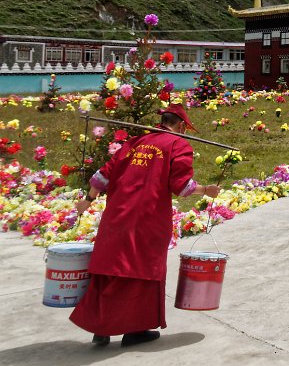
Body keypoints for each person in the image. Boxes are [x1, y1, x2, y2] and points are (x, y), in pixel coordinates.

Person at [70, 104, 220, 347]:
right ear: (181, 126)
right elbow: (181, 186)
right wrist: (206, 190)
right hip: (148, 219)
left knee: (111, 266)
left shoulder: (134, 142)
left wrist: (88, 200)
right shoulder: (178, 145)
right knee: (141, 272)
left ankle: (101, 328)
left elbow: (102, 176)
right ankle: (135, 330)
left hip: (117, 215)